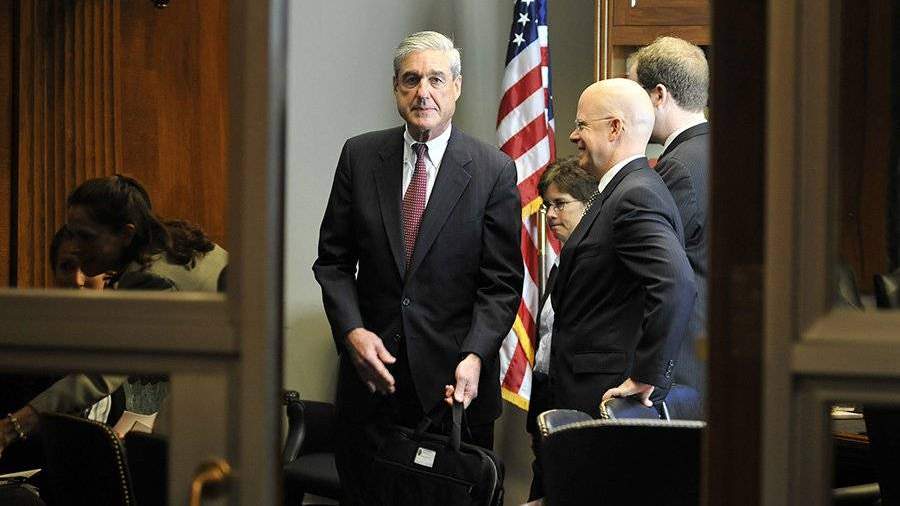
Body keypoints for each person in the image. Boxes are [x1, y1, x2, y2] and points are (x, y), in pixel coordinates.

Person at [312, 31, 523, 505]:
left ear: (457, 87)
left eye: (436, 79)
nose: (422, 92)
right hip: (371, 386)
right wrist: (352, 332)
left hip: (454, 390)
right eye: (411, 80)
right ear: (395, 88)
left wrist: (476, 354)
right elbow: (333, 262)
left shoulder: (493, 170)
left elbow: (502, 284)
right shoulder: (360, 156)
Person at [0, 175, 227, 455]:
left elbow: (99, 375)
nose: (76, 246)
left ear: (126, 234)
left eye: (86, 236)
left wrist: (13, 427)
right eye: (72, 234)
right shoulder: (180, 247)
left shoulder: (149, 277)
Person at [548, 78, 696, 418]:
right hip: (584, 389)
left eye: (582, 125)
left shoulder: (634, 195)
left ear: (615, 128)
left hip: (605, 397)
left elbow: (676, 283)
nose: (573, 136)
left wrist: (647, 375)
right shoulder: (620, 190)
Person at [628, 36, 710, 404]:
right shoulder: (734, 151)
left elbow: (666, 273)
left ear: (659, 95)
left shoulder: (677, 167)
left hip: (683, 368)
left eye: (636, 94)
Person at [526, 157, 598, 502]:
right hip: (546, 398)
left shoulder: (596, 262)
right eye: (547, 206)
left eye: (560, 204)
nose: (551, 215)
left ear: (589, 205)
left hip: (578, 404)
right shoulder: (559, 261)